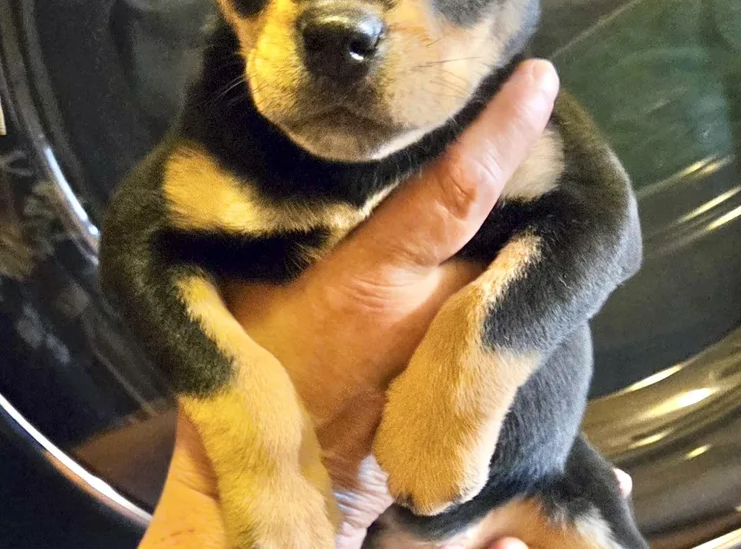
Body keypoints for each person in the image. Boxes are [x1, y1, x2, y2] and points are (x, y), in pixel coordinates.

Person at [138, 59, 627, 549]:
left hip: (547, 481)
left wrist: (462, 382)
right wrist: (261, 456)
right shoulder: (220, 142)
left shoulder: (512, 105)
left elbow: (609, 231)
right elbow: (139, 247)